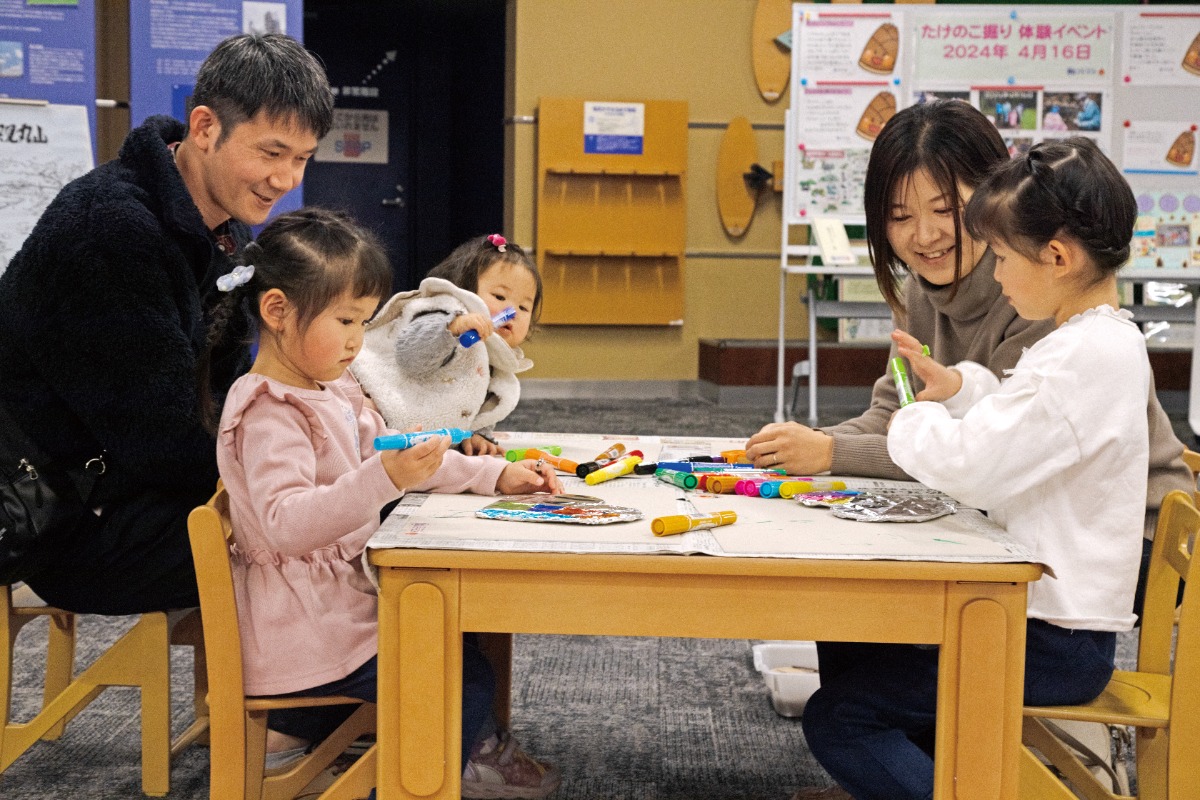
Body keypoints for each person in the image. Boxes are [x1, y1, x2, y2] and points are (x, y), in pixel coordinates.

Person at [799, 138, 1148, 800]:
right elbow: (1025, 426)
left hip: (1052, 638)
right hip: (1051, 619)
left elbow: (974, 468)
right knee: (862, 644)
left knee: (841, 719)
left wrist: (914, 419)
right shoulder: (1100, 341)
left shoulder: (1078, 358)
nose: (996, 273)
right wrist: (960, 390)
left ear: (1057, 256)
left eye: (1005, 257)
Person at [744, 100, 1191, 616]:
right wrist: (807, 447)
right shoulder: (928, 290)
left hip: (1108, 546)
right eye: (900, 217)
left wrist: (828, 454)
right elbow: (899, 410)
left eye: (944, 210)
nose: (925, 236)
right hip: (1021, 512)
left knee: (882, 586)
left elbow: (982, 454)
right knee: (858, 577)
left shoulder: (1047, 295)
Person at [210, 208, 562, 799]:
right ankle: (411, 784)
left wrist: (494, 475)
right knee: (458, 669)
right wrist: (383, 479)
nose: (358, 339)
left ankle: (403, 760)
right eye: (346, 320)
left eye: (365, 321)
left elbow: (403, 456)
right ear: (277, 311)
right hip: (305, 631)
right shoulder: (271, 412)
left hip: (335, 607)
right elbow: (287, 524)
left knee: (453, 637)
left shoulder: (332, 387)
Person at [0, 33, 333, 614]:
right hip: (66, 523)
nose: (286, 178)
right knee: (329, 538)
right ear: (204, 128)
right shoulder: (111, 231)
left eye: (301, 158)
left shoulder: (226, 227)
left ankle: (312, 701)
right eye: (271, 152)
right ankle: (300, 704)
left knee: (347, 510)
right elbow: (165, 441)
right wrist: (312, 466)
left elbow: (226, 395)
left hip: (139, 487)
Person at [352, 233, 543, 457]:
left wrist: (476, 434)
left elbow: (477, 402)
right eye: (500, 297)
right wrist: (452, 327)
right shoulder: (443, 312)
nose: (511, 312)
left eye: (523, 307)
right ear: (466, 289)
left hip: (409, 439)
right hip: (369, 400)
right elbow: (410, 356)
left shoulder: (496, 358)